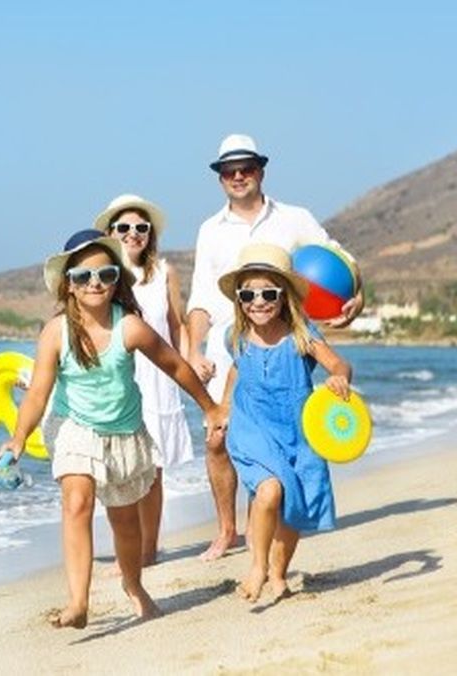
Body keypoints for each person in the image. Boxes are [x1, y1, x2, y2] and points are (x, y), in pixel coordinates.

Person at [0, 229, 224, 629]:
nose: (94, 283)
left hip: (123, 432)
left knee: (123, 521)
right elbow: (37, 394)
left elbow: (174, 366)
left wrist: (209, 407)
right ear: (68, 285)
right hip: (73, 426)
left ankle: (134, 585)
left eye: (104, 274)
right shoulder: (56, 332)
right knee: (77, 502)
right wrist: (17, 439)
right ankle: (78, 602)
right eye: (83, 277)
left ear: (117, 278)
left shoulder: (130, 327)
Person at [186, 133, 363, 561]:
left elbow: (339, 261)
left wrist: (359, 297)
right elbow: (201, 298)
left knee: (277, 441)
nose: (239, 176)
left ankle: (261, 524)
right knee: (216, 441)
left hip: (285, 343)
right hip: (232, 345)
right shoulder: (210, 231)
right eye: (230, 171)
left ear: (261, 171)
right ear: (220, 178)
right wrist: (194, 350)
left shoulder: (295, 218)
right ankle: (229, 530)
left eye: (246, 168)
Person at [216, 242, 351, 602]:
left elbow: (338, 364)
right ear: (240, 299)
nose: (258, 302)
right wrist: (223, 407)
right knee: (270, 490)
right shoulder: (234, 336)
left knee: (293, 504)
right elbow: (237, 371)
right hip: (252, 428)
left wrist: (339, 378)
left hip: (299, 430)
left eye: (268, 293)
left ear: (284, 295)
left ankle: (278, 573)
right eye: (249, 294)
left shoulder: (302, 335)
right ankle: (258, 566)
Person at [93, 194, 193, 567]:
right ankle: (127, 549)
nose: (133, 234)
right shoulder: (102, 274)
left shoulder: (163, 271)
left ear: (150, 234)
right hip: (117, 378)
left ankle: (148, 551)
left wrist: (190, 363)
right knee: (119, 469)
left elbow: (176, 324)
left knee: (153, 472)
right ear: (110, 232)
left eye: (141, 227)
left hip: (159, 378)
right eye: (124, 227)